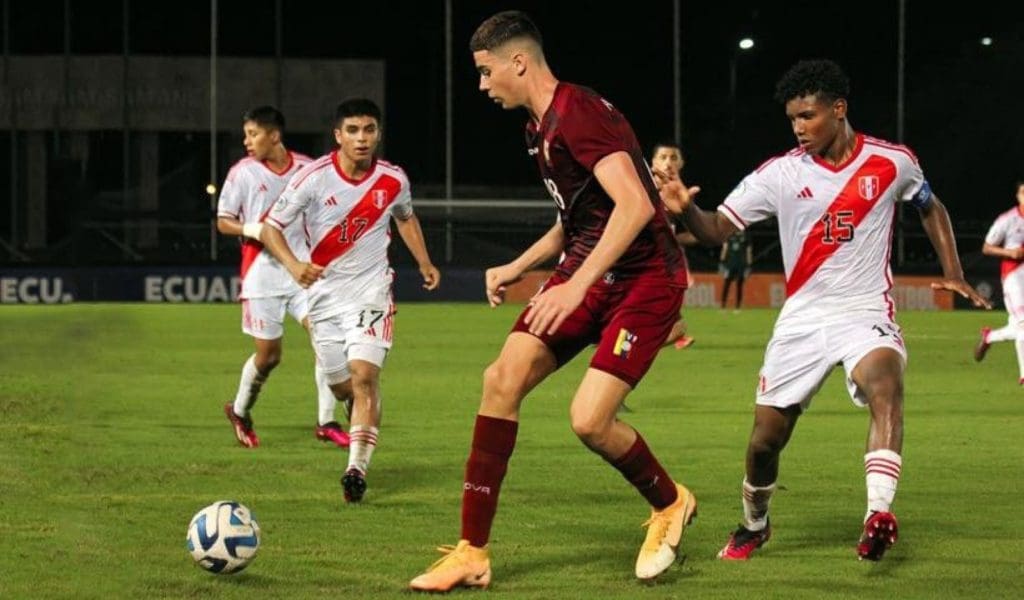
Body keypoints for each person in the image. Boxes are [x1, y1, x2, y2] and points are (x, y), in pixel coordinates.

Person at [409, 11, 696, 592]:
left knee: (590, 421)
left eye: (487, 72)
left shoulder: (580, 113)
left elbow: (637, 206)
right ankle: (472, 552)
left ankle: (670, 503)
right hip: (591, 271)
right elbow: (578, 218)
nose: (483, 85)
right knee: (501, 379)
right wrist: (520, 267)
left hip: (645, 280)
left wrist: (575, 285)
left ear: (519, 61)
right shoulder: (539, 127)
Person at [660, 59, 989, 562]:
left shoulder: (892, 162)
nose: (798, 127)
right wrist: (684, 207)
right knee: (766, 440)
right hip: (804, 317)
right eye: (792, 118)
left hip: (865, 310)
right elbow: (715, 232)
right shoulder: (779, 174)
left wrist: (954, 270)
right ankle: (754, 523)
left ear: (839, 110)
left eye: (808, 116)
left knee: (887, 384)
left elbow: (930, 205)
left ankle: (877, 513)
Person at [260, 98, 441, 503]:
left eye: (369, 130)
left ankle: (356, 468)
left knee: (365, 376)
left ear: (377, 133)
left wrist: (424, 262)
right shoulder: (313, 177)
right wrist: (293, 266)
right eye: (354, 131)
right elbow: (271, 228)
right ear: (338, 135)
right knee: (342, 387)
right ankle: (354, 412)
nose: (362, 138)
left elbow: (406, 217)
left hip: (371, 292)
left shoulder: (393, 179)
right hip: (323, 299)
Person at [216, 106, 351, 450]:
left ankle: (326, 421)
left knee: (326, 341)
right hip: (262, 274)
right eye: (246, 134)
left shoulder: (307, 169)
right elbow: (223, 220)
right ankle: (241, 411)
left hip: (303, 273)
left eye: (253, 134)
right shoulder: (242, 173)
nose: (247, 141)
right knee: (269, 356)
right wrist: (254, 228)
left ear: (274, 136)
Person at [974, 181, 1024, 377]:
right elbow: (987, 247)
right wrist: (1009, 253)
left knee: (1018, 325)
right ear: (1018, 196)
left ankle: (990, 336)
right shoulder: (1008, 220)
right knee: (1022, 323)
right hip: (1013, 276)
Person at [651, 141, 695, 349]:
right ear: (653, 162)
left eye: (673, 158)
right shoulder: (640, 186)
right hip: (636, 264)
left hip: (664, 264)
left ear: (682, 163)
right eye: (663, 157)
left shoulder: (680, 195)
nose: (668, 163)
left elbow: (693, 234)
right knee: (676, 324)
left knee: (676, 323)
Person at [720, 231, 752, 310]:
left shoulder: (746, 238)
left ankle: (738, 306)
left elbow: (748, 252)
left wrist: (749, 265)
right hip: (730, 265)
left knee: (739, 285)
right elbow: (725, 248)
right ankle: (723, 305)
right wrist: (722, 262)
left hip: (741, 265)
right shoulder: (729, 236)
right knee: (726, 284)